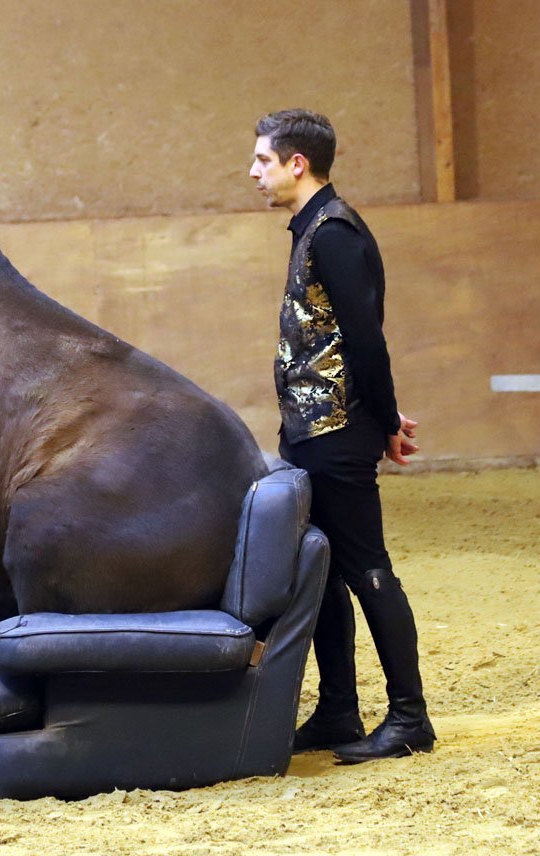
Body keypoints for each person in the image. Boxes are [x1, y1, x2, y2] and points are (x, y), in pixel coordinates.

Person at [248, 110, 435, 763]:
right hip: (312, 432)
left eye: (263, 160)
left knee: (366, 567)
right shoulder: (311, 230)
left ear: (297, 163)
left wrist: (383, 421)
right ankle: (338, 710)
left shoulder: (333, 233)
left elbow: (365, 340)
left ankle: (410, 716)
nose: (254, 172)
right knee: (322, 572)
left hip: (336, 433)